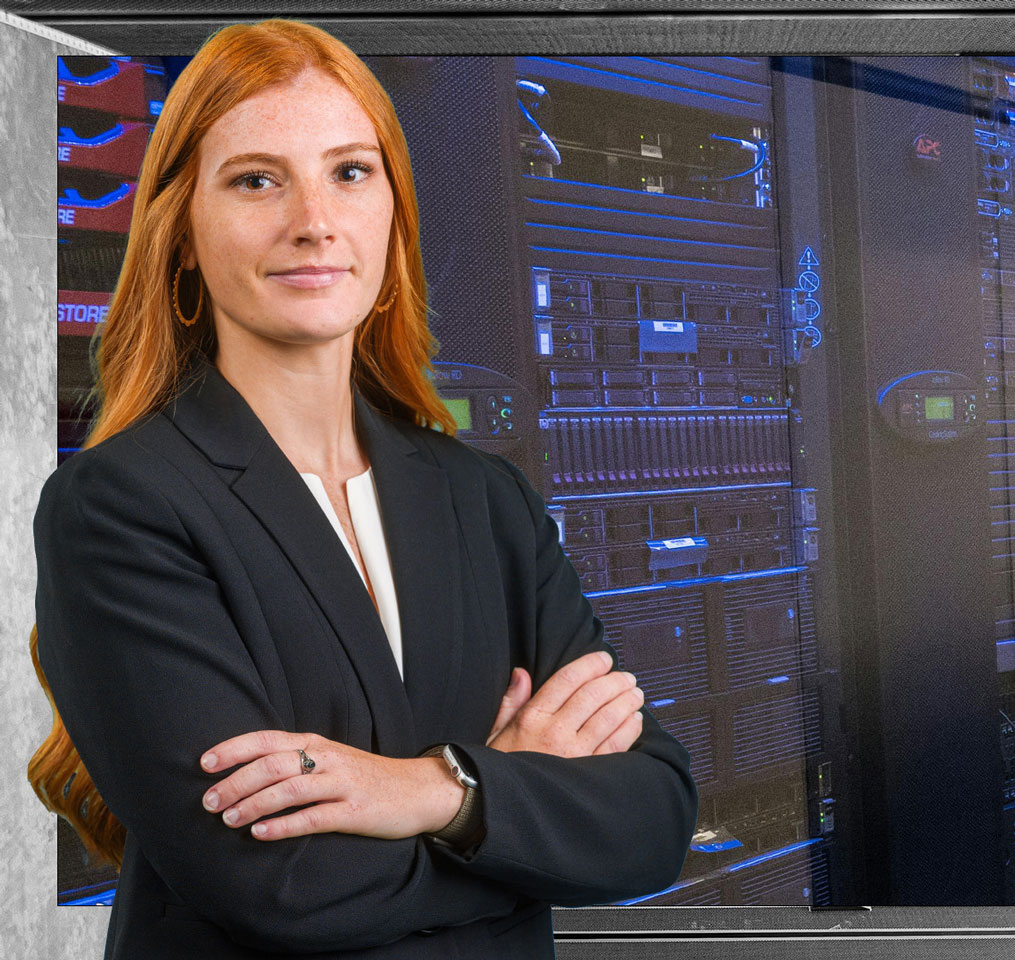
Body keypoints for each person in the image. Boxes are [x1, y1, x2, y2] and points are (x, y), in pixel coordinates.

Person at [27, 19, 698, 959]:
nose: (314, 220)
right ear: (179, 230)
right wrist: (515, 805)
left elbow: (653, 819)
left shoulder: (486, 502)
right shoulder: (120, 508)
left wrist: (430, 789)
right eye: (257, 179)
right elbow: (279, 884)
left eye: (350, 172)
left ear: (393, 214)